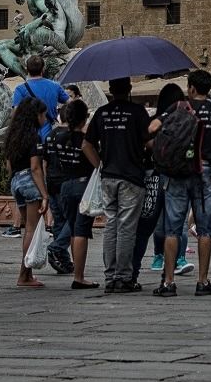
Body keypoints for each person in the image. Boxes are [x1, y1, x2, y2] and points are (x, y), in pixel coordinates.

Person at [151, 70, 211, 297]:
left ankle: (168, 283)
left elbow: (152, 128)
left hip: (177, 172)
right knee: (205, 228)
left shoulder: (178, 107)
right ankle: (203, 282)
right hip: (204, 171)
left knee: (172, 229)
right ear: (209, 89)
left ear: (191, 88)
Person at [83, 77, 151, 293]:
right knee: (127, 227)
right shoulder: (138, 113)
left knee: (111, 225)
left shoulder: (102, 113)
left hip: (108, 176)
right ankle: (123, 276)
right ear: (129, 88)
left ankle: (110, 276)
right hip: (131, 176)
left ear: (111, 89)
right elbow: (150, 142)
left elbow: (87, 144)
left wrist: (100, 166)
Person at [4, 98, 49, 288]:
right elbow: (36, 167)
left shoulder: (12, 136)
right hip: (30, 182)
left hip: (16, 181)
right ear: (35, 115)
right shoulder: (34, 137)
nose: (45, 117)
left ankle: (26, 273)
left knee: (27, 229)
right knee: (31, 228)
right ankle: (24, 274)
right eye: (43, 114)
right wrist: (45, 194)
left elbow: (8, 165)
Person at [42, 98, 90, 276]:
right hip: (70, 182)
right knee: (74, 224)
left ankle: (63, 259)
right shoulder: (79, 139)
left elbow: (45, 162)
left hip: (54, 184)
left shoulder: (51, 136)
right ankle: (57, 247)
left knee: (60, 222)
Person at [149, 83, 191, 278]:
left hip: (157, 173)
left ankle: (158, 256)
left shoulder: (156, 121)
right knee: (179, 219)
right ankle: (179, 257)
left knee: (160, 220)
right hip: (181, 173)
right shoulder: (186, 120)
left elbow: (147, 143)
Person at [12, 54, 70, 126]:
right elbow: (70, 103)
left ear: (27, 69)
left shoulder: (20, 89)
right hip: (51, 131)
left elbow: (16, 113)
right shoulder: (55, 85)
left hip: (30, 131)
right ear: (43, 69)